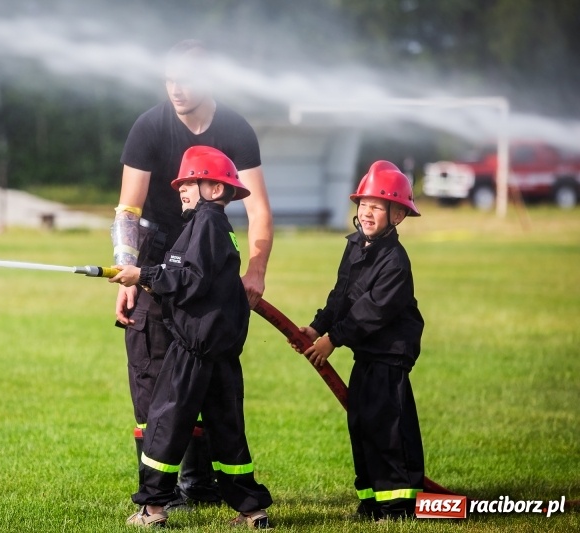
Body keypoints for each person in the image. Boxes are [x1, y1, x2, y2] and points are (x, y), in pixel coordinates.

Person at [112, 39, 273, 506]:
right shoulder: (149, 126)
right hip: (154, 254)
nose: (176, 90)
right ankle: (161, 488)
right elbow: (128, 209)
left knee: (203, 369)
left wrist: (256, 271)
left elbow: (259, 210)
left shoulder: (236, 129)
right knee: (151, 373)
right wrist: (129, 271)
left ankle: (198, 486)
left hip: (207, 254)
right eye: (169, 79)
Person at [295, 160, 426, 521]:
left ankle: (397, 505)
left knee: (386, 429)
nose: (366, 213)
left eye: (376, 206)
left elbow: (371, 311)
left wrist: (333, 339)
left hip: (388, 356)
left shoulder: (395, 261)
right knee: (363, 425)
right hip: (367, 357)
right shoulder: (356, 246)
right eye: (363, 204)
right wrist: (316, 327)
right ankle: (371, 501)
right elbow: (342, 295)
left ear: (397, 214)